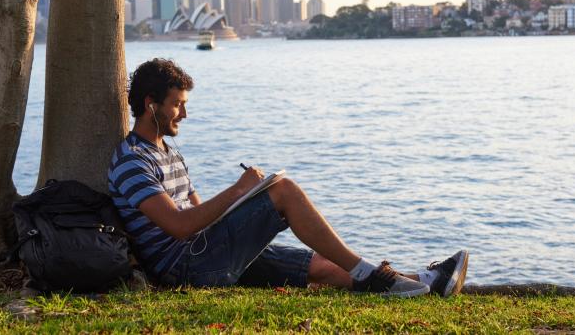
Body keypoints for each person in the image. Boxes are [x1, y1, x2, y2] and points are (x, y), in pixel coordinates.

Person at [108, 58, 468, 298]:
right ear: (151, 103)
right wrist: (239, 190)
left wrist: (245, 204)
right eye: (177, 104)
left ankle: (426, 282)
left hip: (206, 251)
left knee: (323, 266)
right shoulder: (131, 161)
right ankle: (375, 273)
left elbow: (200, 213)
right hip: (187, 269)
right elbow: (178, 226)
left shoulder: (168, 153)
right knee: (283, 191)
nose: (184, 113)